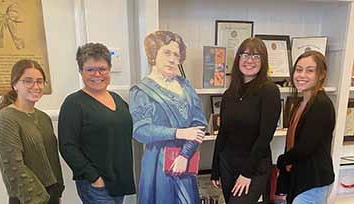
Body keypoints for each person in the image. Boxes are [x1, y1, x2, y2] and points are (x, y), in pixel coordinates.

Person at [129, 30, 207, 204]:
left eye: (176, 55)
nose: (172, 59)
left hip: (186, 159)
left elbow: (200, 124)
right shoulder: (141, 91)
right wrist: (179, 133)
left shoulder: (186, 86)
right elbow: (140, 130)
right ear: (153, 54)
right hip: (157, 163)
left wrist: (185, 155)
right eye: (166, 52)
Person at [58, 42, 135, 204]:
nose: (97, 74)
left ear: (109, 69)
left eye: (102, 69)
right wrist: (94, 178)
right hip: (95, 184)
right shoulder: (74, 103)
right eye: (90, 70)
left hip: (119, 181)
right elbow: (67, 146)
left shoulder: (118, 100)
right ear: (80, 71)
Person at [211, 37, 282, 203]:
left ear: (263, 61)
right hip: (227, 164)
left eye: (256, 56)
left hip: (254, 166)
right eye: (245, 55)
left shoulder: (269, 91)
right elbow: (223, 133)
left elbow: (265, 136)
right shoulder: (229, 94)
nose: (250, 61)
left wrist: (246, 173)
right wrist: (215, 168)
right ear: (238, 59)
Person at [0, 59, 64, 204]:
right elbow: (13, 167)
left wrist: (57, 193)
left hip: (51, 194)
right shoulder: (7, 117)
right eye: (28, 81)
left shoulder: (44, 117)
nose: (36, 86)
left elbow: (52, 159)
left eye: (40, 81)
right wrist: (37, 199)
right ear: (15, 84)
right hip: (27, 198)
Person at [276, 51, 335, 204]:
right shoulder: (301, 103)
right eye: (298, 69)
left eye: (309, 70)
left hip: (313, 181)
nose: (302, 75)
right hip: (301, 179)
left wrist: (282, 161)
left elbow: (305, 147)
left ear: (321, 75)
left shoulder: (321, 105)